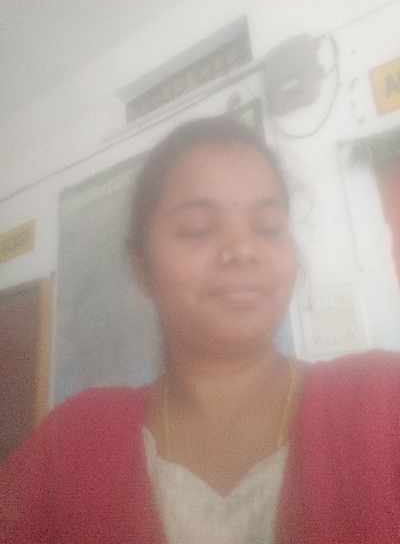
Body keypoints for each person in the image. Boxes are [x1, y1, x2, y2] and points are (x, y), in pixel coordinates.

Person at [1, 116, 400, 544]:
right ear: (142, 267)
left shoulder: (380, 401)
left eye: (268, 228)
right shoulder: (75, 441)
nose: (243, 249)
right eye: (198, 229)